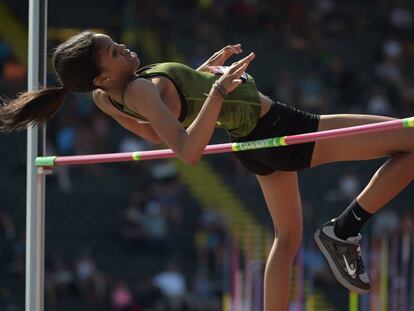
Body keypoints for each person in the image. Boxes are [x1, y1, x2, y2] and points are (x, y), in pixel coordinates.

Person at [0, 31, 413, 311]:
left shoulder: (106, 98)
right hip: (280, 127)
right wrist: (215, 91)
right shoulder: (139, 88)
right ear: (102, 75)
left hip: (251, 144)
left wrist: (199, 77)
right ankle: (344, 229)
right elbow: (187, 150)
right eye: (114, 52)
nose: (124, 47)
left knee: (286, 239)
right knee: (409, 140)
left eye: (116, 43)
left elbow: (156, 132)